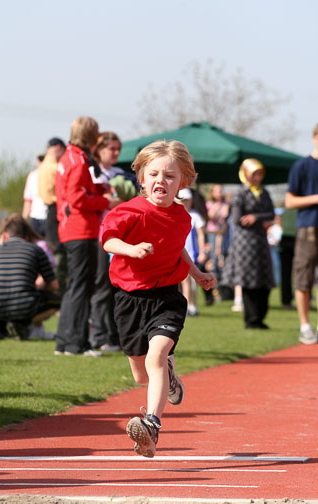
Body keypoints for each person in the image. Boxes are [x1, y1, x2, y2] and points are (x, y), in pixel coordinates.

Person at [101, 139, 216, 458]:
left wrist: (196, 273)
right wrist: (131, 249)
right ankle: (170, 376)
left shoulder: (183, 218)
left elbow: (177, 246)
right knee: (142, 373)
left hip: (166, 296)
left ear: (183, 181)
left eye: (169, 176)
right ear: (141, 177)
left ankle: (151, 425)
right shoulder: (127, 211)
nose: (160, 181)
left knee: (155, 359)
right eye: (153, 174)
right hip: (129, 298)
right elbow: (108, 241)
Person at [54, 116, 116, 357]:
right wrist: (106, 201)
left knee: (75, 286)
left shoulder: (69, 156)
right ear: (91, 135)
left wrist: (101, 189)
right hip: (81, 229)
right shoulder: (79, 160)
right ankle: (76, 344)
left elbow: (80, 190)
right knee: (82, 287)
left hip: (71, 228)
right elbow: (78, 199)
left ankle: (65, 341)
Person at [88, 131, 137, 352]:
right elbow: (101, 202)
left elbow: (132, 197)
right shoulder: (92, 172)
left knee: (119, 286)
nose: (116, 153)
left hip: (122, 235)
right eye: (111, 149)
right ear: (99, 149)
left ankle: (117, 335)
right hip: (99, 235)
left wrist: (117, 200)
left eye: (118, 148)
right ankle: (99, 336)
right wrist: (114, 199)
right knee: (101, 287)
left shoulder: (120, 173)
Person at [0, 214, 60, 341]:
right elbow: (54, 285)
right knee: (59, 301)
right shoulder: (36, 250)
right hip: (25, 306)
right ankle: (22, 324)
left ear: (5, 235)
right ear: (27, 236)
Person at [221, 158, 275, 329]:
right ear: (246, 175)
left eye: (260, 174)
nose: (258, 177)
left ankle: (260, 317)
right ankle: (251, 319)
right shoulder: (240, 193)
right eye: (255, 174)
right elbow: (237, 219)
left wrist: (255, 218)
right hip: (245, 243)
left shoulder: (263, 192)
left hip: (260, 241)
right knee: (249, 280)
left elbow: (271, 214)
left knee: (264, 279)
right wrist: (261, 219)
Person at [285, 121, 318, 344]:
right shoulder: (301, 166)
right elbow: (289, 200)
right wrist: (317, 198)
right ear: (314, 139)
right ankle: (305, 325)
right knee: (304, 279)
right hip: (308, 228)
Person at [38, 137, 67, 295]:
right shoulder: (56, 167)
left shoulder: (42, 166)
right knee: (60, 255)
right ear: (58, 147)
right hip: (57, 210)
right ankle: (59, 293)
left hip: (49, 211)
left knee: (56, 252)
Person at [178, 187, 207, 316]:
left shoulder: (195, 216)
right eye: (183, 200)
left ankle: (191, 306)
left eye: (187, 200)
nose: (185, 203)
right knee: (186, 281)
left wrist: (202, 252)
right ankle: (189, 306)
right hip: (179, 253)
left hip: (192, 253)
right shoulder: (176, 216)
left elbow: (200, 235)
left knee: (190, 281)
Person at [22, 152, 48, 236]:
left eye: (43, 159)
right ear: (37, 161)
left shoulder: (55, 173)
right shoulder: (32, 176)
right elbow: (28, 201)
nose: (42, 162)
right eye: (40, 159)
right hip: (35, 219)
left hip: (50, 218)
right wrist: (23, 222)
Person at [278, 207, 297, 309]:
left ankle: (286, 301)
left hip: (289, 238)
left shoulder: (285, 208)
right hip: (294, 238)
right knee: (288, 272)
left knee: (286, 272)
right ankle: (287, 301)